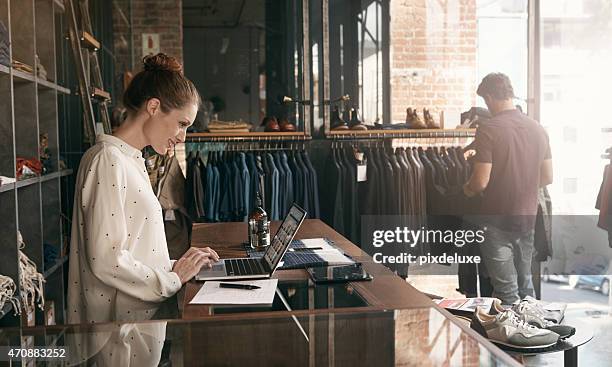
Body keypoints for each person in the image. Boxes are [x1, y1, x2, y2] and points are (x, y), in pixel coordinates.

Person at [67, 53, 219, 325]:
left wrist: (178, 264)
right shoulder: (108, 160)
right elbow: (106, 260)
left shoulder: (129, 159)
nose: (183, 136)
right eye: (182, 124)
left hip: (134, 328)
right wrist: (173, 278)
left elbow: (132, 248)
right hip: (118, 339)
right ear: (153, 107)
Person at [463, 72, 553, 305]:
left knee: (506, 292)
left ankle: (511, 340)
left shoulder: (488, 129)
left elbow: (480, 181)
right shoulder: (538, 128)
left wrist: (466, 190)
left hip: (495, 221)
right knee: (526, 288)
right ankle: (534, 334)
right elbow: (547, 177)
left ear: (491, 97)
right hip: (527, 218)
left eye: (486, 100)